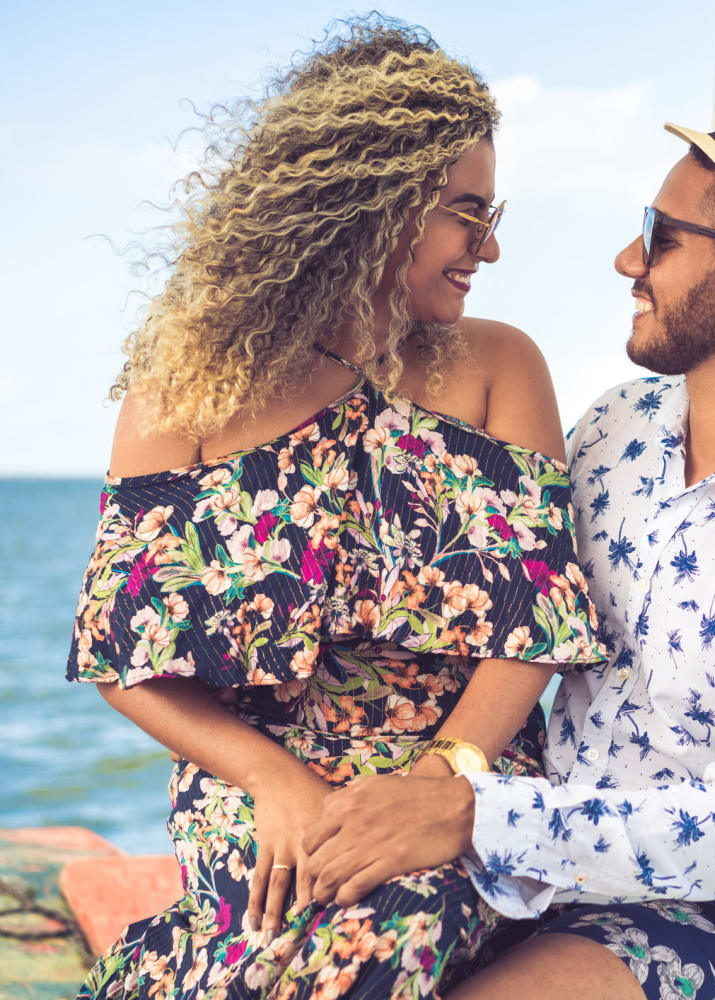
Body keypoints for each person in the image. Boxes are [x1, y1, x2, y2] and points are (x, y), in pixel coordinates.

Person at [301, 84, 715, 999]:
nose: (629, 258)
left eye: (660, 235)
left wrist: (471, 813)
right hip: (532, 869)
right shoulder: (614, 428)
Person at [66, 16, 606, 999]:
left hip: (446, 776)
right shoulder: (186, 386)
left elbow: (536, 626)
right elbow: (122, 655)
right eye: (465, 212)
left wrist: (447, 774)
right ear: (375, 201)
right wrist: (273, 781)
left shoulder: (498, 365)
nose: (488, 245)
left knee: (387, 935)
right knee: (261, 941)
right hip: (253, 782)